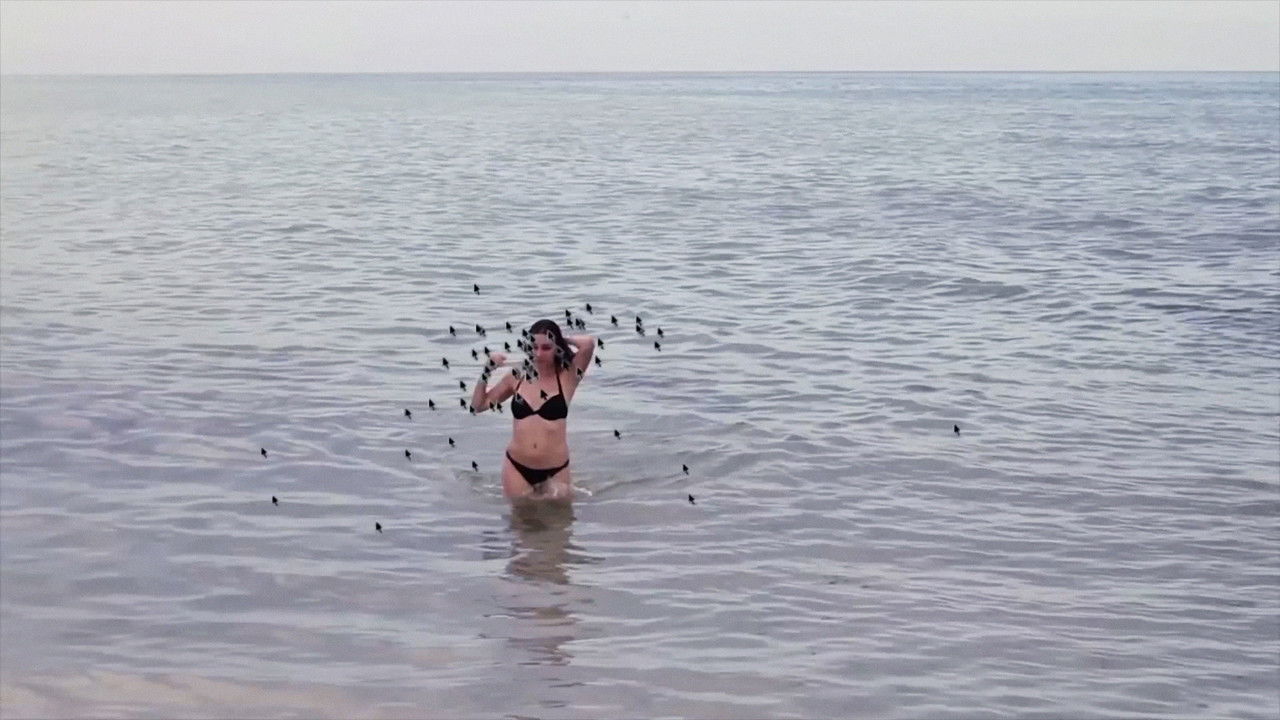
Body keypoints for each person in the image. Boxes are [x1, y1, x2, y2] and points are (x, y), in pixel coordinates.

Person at [470, 319, 594, 500]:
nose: (539, 353)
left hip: (556, 469)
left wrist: (560, 338)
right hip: (517, 467)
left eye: (546, 348)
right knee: (519, 516)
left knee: (561, 517)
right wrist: (487, 371)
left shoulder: (568, 375)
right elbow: (478, 406)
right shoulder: (517, 376)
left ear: (557, 348)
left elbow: (588, 344)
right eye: (534, 347)